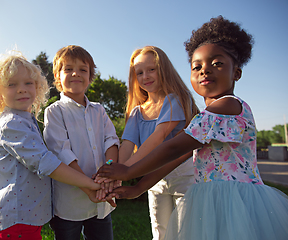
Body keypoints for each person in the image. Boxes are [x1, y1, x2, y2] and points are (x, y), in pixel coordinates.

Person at [98, 16, 288, 240]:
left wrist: (128, 171)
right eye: (197, 66)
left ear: (236, 72)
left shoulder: (227, 106)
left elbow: (172, 148)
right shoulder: (209, 114)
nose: (205, 70)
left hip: (234, 201)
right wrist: (138, 188)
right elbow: (180, 157)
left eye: (217, 63)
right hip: (211, 198)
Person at [0, 50, 102, 240]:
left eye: (28, 83)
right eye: (12, 84)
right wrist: (90, 184)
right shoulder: (12, 123)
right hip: (17, 219)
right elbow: (46, 163)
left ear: (37, 88)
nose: (22, 89)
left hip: (25, 219)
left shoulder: (26, 120)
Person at [114, 46, 199, 240]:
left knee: (187, 231)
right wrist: (116, 172)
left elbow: (159, 136)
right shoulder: (136, 112)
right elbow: (127, 144)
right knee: (160, 232)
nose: (146, 76)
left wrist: (126, 170)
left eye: (152, 69)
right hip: (156, 180)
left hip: (184, 175)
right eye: (140, 72)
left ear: (164, 70)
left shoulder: (175, 99)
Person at [43, 45, 120, 240]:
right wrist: (89, 187)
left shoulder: (99, 110)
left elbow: (111, 140)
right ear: (57, 76)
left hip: (101, 201)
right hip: (69, 203)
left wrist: (108, 173)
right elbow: (61, 152)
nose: (75, 73)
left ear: (90, 77)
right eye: (68, 69)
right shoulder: (54, 112)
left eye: (83, 70)